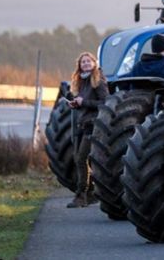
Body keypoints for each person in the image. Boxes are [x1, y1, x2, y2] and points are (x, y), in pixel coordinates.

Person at [66, 51, 109, 208]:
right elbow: (85, 103)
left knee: (80, 159)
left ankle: (81, 195)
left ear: (94, 63)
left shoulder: (98, 81)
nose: (85, 64)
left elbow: (105, 103)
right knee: (82, 159)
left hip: (93, 124)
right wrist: (76, 104)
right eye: (83, 62)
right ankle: (91, 194)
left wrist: (84, 102)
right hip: (82, 123)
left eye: (88, 61)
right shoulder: (81, 82)